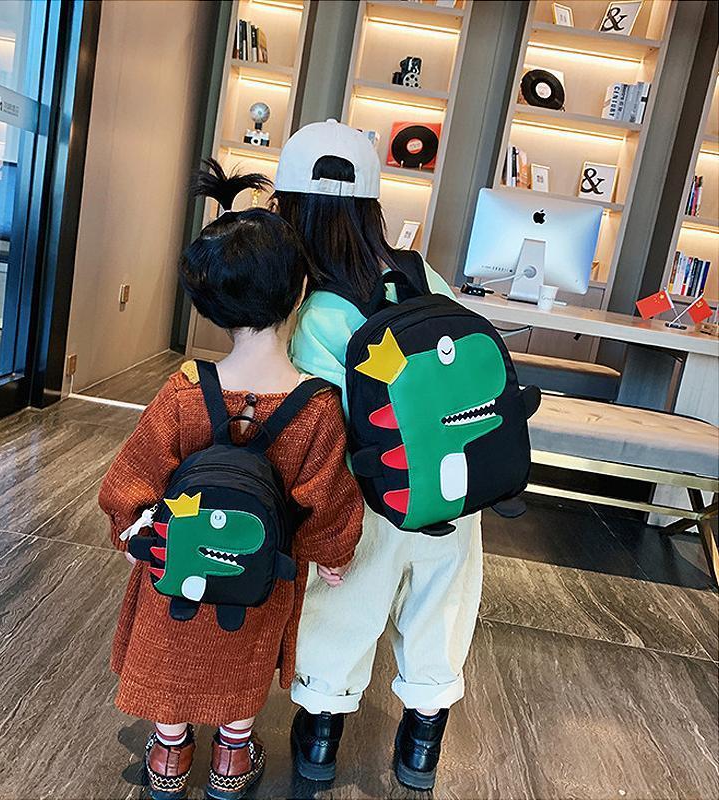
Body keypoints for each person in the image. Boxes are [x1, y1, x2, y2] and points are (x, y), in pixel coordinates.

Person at [98, 161, 363, 800]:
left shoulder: (185, 390)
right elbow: (326, 500)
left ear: (210, 304)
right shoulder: (318, 406)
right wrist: (332, 555)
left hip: (176, 568)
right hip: (259, 576)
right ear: (301, 292)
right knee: (241, 660)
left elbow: (131, 477)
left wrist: (133, 531)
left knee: (170, 654)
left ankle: (168, 757)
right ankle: (232, 756)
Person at [273, 120, 483, 791]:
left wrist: (315, 528)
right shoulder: (424, 274)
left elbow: (322, 436)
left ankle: (321, 738)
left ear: (297, 215)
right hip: (453, 487)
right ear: (370, 208)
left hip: (370, 500)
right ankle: (421, 746)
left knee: (342, 612)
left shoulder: (320, 315)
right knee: (440, 610)